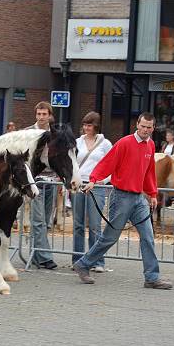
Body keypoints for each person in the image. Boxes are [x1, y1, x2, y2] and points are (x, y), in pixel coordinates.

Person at [73, 112, 174, 289]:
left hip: (139, 199)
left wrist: (152, 194)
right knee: (110, 238)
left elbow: (149, 172)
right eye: (142, 126)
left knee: (148, 237)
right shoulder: (125, 142)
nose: (145, 130)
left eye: (149, 127)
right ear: (137, 125)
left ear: (153, 128)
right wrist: (94, 180)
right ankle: (83, 264)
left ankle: (152, 277)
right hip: (121, 197)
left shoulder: (150, 145)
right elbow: (108, 162)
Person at [71, 111, 113, 273]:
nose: (86, 128)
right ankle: (78, 258)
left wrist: (105, 180)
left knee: (95, 225)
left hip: (96, 185)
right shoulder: (77, 142)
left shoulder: (105, 143)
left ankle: (97, 260)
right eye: (84, 125)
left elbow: (112, 164)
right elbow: (72, 162)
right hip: (79, 183)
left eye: (89, 125)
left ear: (96, 126)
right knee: (78, 224)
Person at [28, 101, 58, 270]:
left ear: (49, 115)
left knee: (45, 221)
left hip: (52, 180)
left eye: (44, 114)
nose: (41, 117)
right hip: (34, 181)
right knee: (38, 220)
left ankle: (36, 255)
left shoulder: (55, 134)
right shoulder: (27, 133)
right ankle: (46, 258)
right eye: (38, 114)